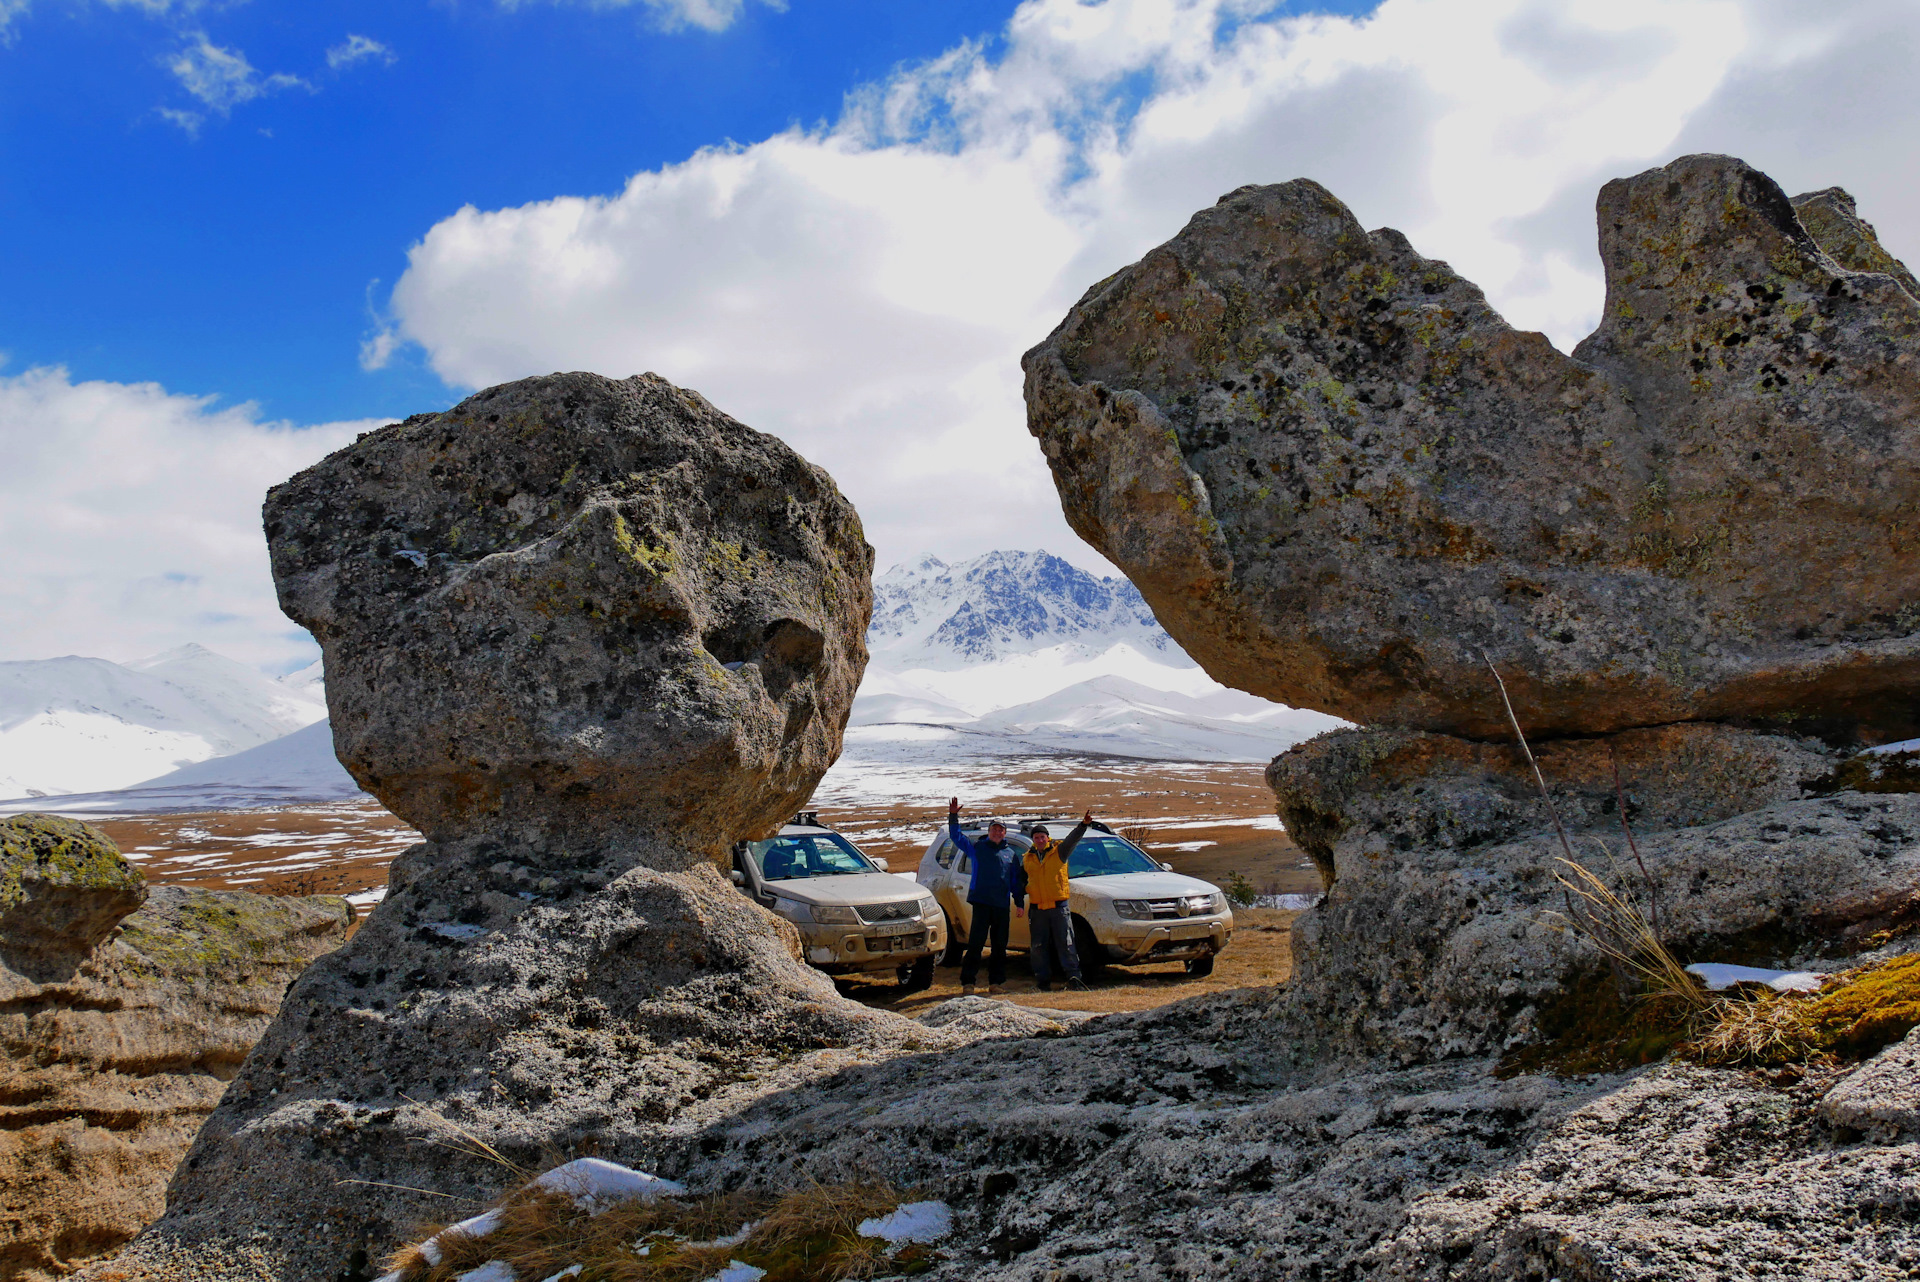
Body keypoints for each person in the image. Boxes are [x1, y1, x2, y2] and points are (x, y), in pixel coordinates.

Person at [947, 797, 1026, 996]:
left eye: (1000, 830)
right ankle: (968, 983)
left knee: (1000, 947)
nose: (997, 832)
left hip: (1001, 905)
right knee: (976, 944)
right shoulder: (977, 847)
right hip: (981, 903)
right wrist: (954, 816)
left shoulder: (1010, 854)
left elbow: (1015, 881)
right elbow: (956, 837)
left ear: (1004, 833)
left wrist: (1018, 902)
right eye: (994, 829)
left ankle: (996, 983)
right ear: (989, 832)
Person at [1024, 810, 1094, 992]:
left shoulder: (1059, 852)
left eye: (1042, 837)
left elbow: (1073, 839)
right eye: (1036, 837)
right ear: (1033, 840)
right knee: (1038, 947)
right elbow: (1020, 880)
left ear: (1048, 838)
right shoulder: (1027, 858)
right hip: (1037, 909)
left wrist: (1083, 825)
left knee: (1066, 943)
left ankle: (1074, 979)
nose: (1039, 840)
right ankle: (1042, 982)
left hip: (1058, 908)